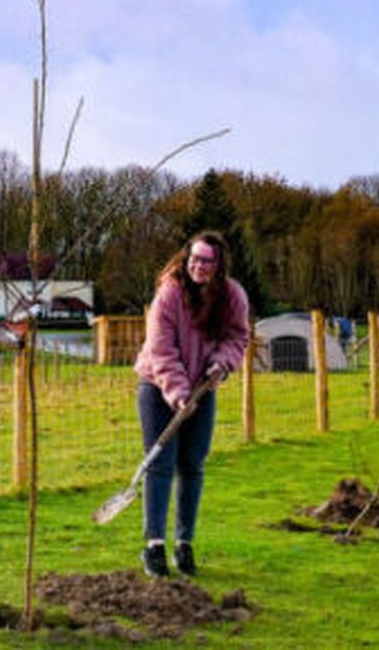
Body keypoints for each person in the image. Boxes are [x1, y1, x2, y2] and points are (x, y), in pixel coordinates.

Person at [133, 231, 248, 577]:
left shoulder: (232, 296)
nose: (198, 266)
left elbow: (238, 337)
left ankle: (185, 545)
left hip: (203, 386)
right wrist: (179, 392)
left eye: (206, 262)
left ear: (218, 265)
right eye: (194, 259)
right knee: (160, 463)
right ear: (186, 259)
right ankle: (154, 546)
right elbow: (161, 350)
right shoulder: (168, 294)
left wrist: (222, 363)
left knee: (193, 464)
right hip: (157, 386)